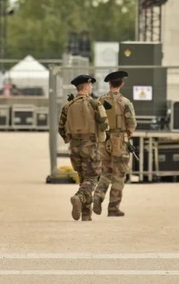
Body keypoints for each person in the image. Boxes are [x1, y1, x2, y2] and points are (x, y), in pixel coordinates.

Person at [58, 74, 108, 221]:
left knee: (83, 178)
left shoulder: (68, 106)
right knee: (92, 177)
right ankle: (79, 198)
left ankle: (86, 214)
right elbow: (105, 125)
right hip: (90, 145)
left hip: (74, 147)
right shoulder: (94, 104)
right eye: (90, 85)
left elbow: (61, 128)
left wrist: (69, 139)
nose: (91, 87)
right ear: (86, 87)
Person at [93, 70, 137, 217]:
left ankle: (98, 195)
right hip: (119, 141)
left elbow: (95, 121)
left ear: (109, 84)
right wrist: (127, 135)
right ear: (122, 84)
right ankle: (113, 208)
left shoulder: (100, 101)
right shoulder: (125, 102)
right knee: (119, 174)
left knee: (106, 172)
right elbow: (131, 124)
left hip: (103, 140)